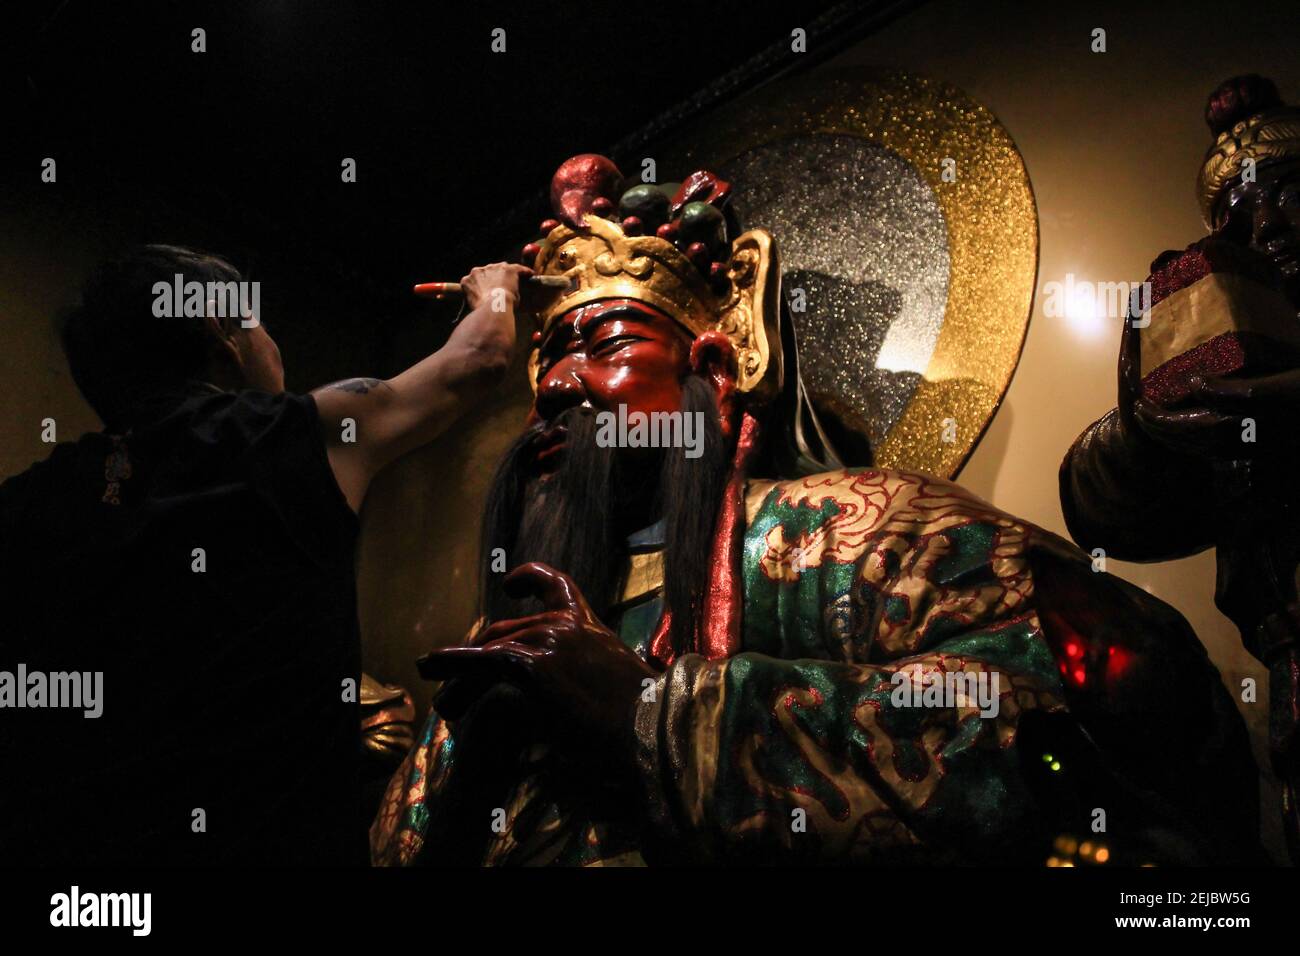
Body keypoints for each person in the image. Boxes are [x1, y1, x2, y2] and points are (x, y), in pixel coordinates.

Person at [371, 155, 1262, 867]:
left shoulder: (848, 531)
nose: (557, 387)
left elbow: (1107, 691)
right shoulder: (514, 631)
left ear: (712, 371)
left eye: (604, 343)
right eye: (548, 361)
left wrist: (657, 715)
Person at [0, 243, 547, 865]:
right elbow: (477, 360)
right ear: (223, 333)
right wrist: (495, 288)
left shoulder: (26, 502)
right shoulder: (288, 436)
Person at [1060, 75, 1300, 859]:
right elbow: (1102, 510)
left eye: (1290, 194)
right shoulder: (1243, 331)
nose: (1268, 225)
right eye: (1242, 213)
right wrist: (1144, 425)